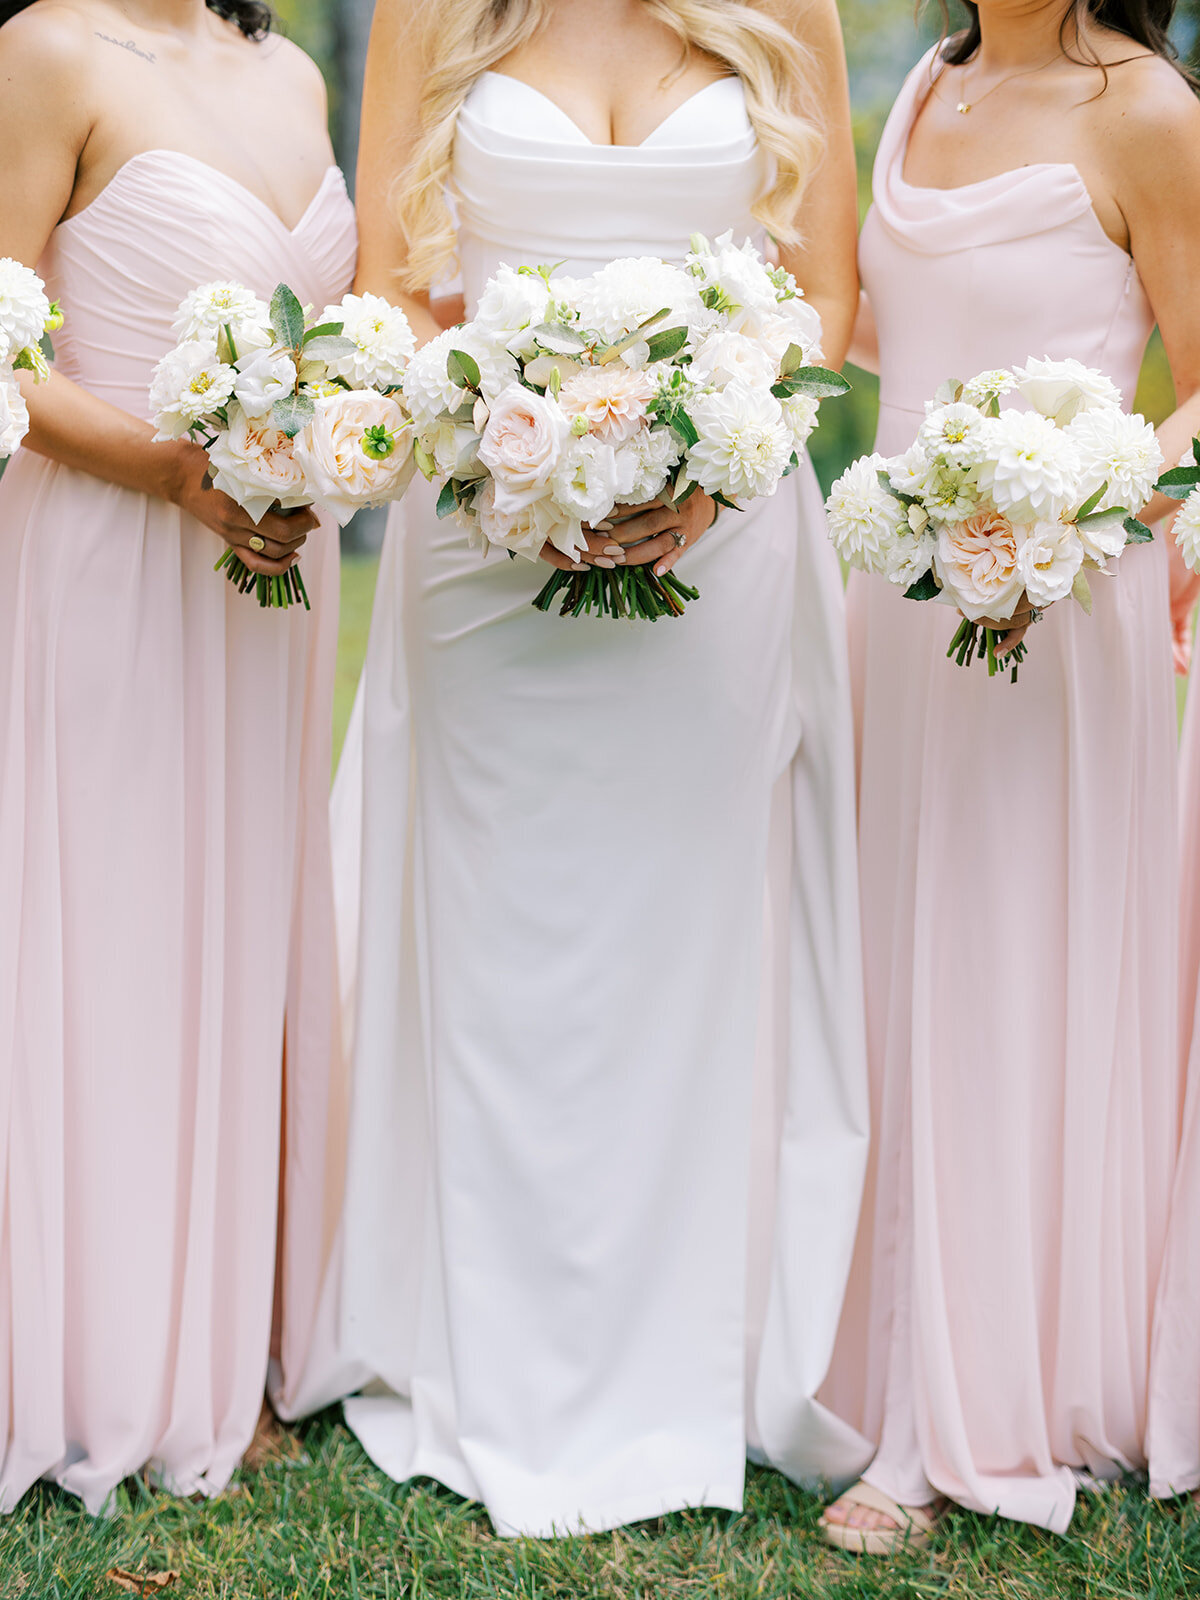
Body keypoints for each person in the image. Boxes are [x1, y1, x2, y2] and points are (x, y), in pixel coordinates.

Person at [282, 0, 873, 1539]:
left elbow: (824, 297)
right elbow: (391, 295)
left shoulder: (781, 7)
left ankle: (681, 1361)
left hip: (723, 546)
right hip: (486, 541)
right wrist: (490, 433)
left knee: (681, 943)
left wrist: (709, 464)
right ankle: (495, 1366)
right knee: (508, 951)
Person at [820, 0, 1200, 1552]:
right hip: (897, 605)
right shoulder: (927, 82)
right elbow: (873, 331)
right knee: (883, 968)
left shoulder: (1151, 109)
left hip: (1056, 605)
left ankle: (958, 1410)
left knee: (998, 972)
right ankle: (849, 1352)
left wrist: (1088, 504)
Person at [0, 0, 355, 1511]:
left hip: (268, 580)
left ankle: (222, 1337)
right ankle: (95, 1359)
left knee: (237, 938)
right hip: (113, 551)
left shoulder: (291, 68)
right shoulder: (46, 48)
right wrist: (164, 466)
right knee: (119, 934)